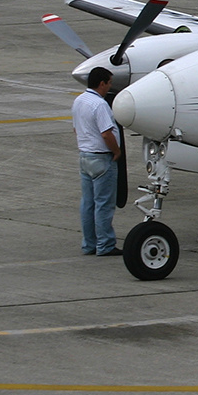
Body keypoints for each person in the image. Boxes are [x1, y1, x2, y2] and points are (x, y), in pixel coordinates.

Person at [74, 66, 122, 257]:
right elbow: (106, 133)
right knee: (103, 203)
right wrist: (117, 151)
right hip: (101, 157)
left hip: (84, 156)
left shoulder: (79, 100)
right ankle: (105, 245)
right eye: (109, 83)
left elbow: (76, 129)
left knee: (88, 203)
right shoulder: (99, 105)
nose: (109, 87)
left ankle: (89, 244)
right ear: (102, 83)